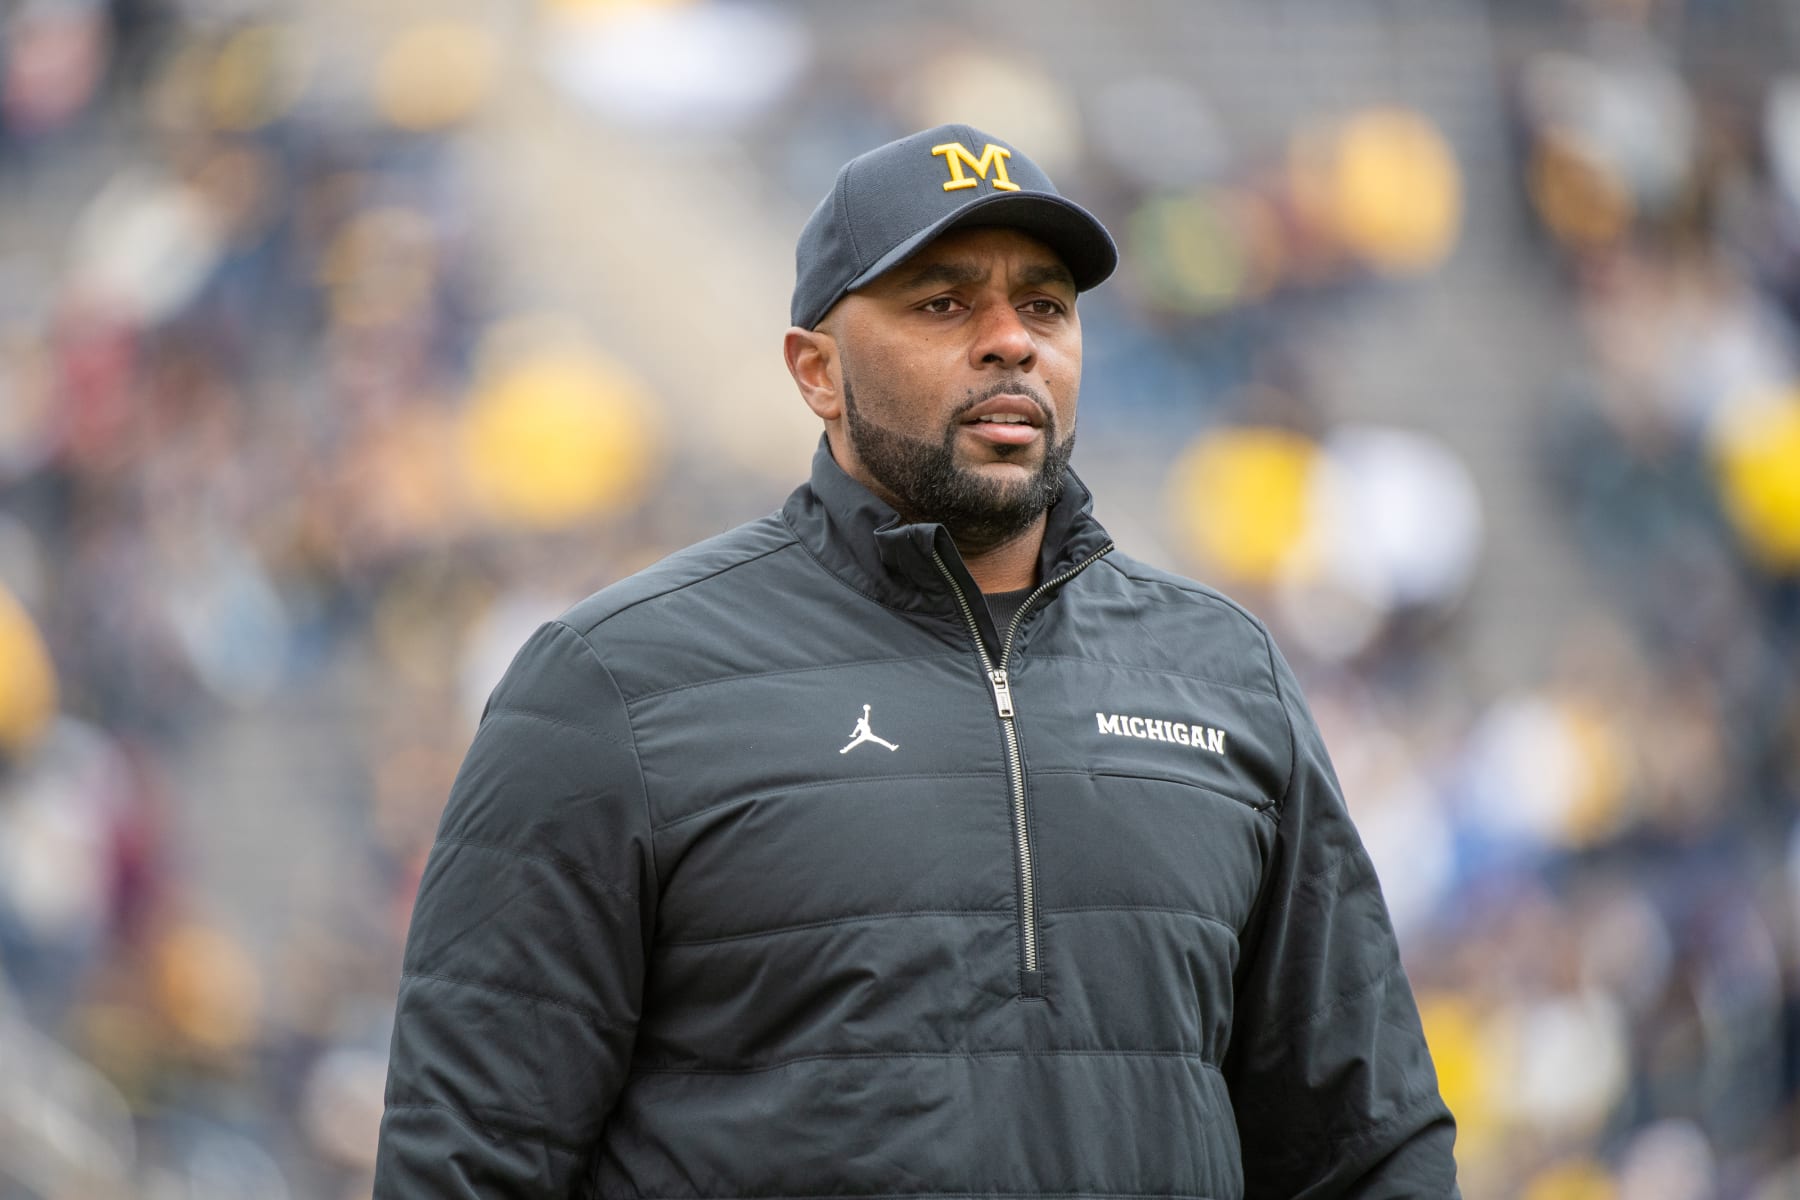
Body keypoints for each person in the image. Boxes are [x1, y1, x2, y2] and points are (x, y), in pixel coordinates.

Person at [374, 123, 1460, 1199]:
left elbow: (1368, 1148)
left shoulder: (1222, 677)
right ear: (816, 372)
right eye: (943, 304)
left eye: (1044, 305)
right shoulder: (615, 685)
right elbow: (469, 1161)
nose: (1009, 342)